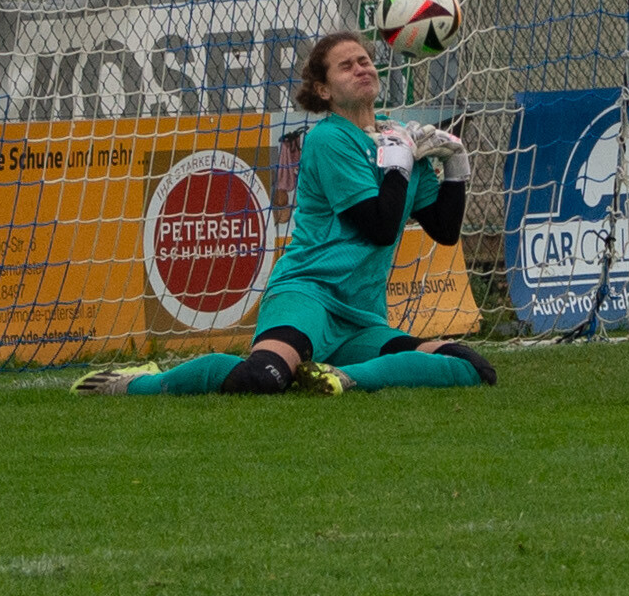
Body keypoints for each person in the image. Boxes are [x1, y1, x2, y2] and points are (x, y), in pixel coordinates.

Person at [74, 30, 496, 397]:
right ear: (324, 90)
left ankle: (342, 377)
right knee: (262, 377)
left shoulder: (397, 139)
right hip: (307, 294)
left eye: (365, 61)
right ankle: (138, 382)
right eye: (346, 66)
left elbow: (444, 229)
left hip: (361, 314)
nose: (361, 68)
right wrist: (399, 164)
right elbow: (380, 227)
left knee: (471, 366)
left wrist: (455, 165)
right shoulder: (331, 140)